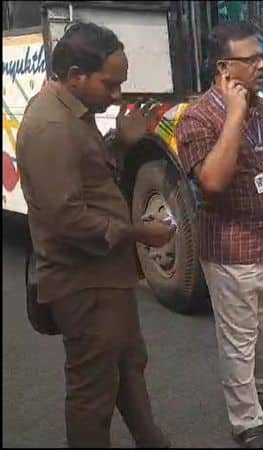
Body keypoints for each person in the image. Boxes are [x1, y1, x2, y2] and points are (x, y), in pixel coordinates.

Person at [16, 22, 174, 448]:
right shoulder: (50, 128)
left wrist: (120, 144)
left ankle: (151, 439)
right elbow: (66, 219)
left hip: (104, 275)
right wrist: (141, 232)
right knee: (93, 390)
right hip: (82, 281)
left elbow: (90, 179)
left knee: (126, 363)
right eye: (111, 83)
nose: (118, 94)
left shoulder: (73, 115)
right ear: (74, 76)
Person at [176, 22, 263, 449]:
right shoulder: (198, 118)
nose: (261, 66)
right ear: (223, 67)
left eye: (262, 57)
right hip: (233, 249)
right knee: (239, 337)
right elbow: (213, 182)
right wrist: (234, 116)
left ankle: (262, 384)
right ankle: (245, 421)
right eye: (250, 59)